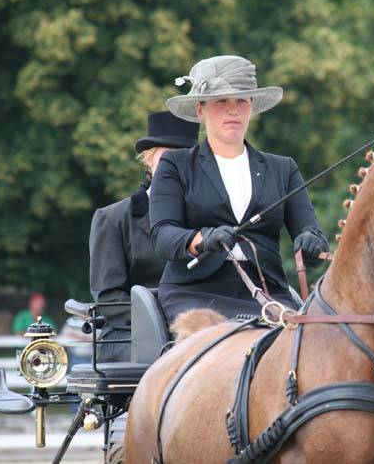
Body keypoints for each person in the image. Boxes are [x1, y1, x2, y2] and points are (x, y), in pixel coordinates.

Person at [150, 55, 329, 324]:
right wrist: (202, 238)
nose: (233, 110)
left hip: (268, 292)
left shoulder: (283, 169)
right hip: (194, 293)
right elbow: (163, 235)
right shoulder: (176, 165)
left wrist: (311, 242)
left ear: (251, 107)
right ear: (200, 110)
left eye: (241, 101)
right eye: (221, 101)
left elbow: (309, 230)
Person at [89, 111, 200, 361]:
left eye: (184, 160)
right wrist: (167, 326)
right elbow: (110, 299)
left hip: (198, 331)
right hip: (133, 334)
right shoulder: (113, 219)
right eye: (167, 159)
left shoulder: (210, 218)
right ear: (148, 161)